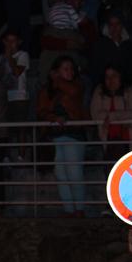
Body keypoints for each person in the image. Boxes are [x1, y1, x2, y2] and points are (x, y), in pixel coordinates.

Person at [37, 56, 88, 217]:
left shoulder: (78, 85)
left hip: (73, 133)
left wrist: (57, 80)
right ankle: (68, 210)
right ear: (56, 71)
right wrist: (53, 118)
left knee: (74, 172)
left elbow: (73, 92)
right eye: (65, 68)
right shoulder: (47, 90)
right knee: (61, 174)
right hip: (54, 135)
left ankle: (79, 209)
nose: (70, 71)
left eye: (71, 68)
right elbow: (41, 111)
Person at [90, 64, 132, 163]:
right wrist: (120, 116)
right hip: (109, 141)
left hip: (130, 140)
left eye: (114, 76)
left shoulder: (131, 90)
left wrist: (111, 116)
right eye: (107, 77)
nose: (110, 80)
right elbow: (95, 114)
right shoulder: (99, 91)